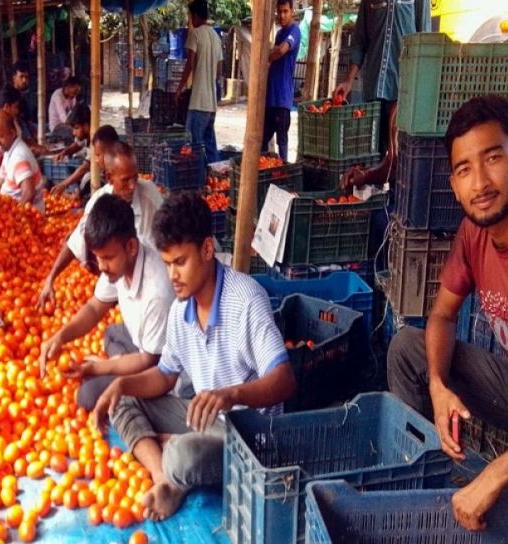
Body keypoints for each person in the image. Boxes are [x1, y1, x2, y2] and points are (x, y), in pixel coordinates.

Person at [387, 95, 508, 528]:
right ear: (453, 184)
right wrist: (437, 385)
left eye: (493, 159)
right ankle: (420, 485)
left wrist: (496, 474)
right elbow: (443, 316)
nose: (480, 183)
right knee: (407, 348)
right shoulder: (474, 233)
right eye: (464, 169)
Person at [91, 192, 296, 521]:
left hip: (248, 430)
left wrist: (231, 394)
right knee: (122, 398)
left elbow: (284, 380)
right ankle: (163, 479)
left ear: (207, 249)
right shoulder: (179, 310)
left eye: (180, 262)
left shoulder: (246, 300)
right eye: (167, 263)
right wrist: (121, 386)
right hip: (203, 415)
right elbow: (165, 376)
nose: (172, 275)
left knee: (183, 456)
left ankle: (171, 462)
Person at [38, 194, 175, 410]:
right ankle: (122, 362)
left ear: (131, 247)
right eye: (98, 257)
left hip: (160, 368)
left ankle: (128, 377)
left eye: (107, 258)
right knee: (111, 333)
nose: (100, 266)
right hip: (144, 343)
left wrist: (97, 368)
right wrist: (60, 337)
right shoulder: (120, 260)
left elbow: (150, 361)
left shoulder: (157, 292)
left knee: (87, 394)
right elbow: (94, 308)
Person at [37, 140, 162, 309]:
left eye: (135, 177)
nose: (133, 186)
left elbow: (170, 234)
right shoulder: (98, 203)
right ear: (109, 178)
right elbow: (75, 243)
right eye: (125, 180)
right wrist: (50, 278)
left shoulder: (150, 195)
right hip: (117, 285)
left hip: (151, 287)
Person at [334, 0, 430, 188]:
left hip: (404, 92)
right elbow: (360, 42)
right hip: (373, 93)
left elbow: (423, 40)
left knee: (399, 162)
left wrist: (418, 89)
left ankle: (395, 206)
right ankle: (373, 209)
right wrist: (347, 81)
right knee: (371, 161)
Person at [175, 0, 223, 164]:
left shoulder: (195, 34)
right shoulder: (216, 37)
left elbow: (190, 64)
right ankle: (214, 179)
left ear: (195, 16)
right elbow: (219, 69)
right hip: (211, 105)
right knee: (210, 145)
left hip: (198, 103)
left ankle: (199, 181)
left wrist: (180, 88)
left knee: (193, 145)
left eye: (190, 16)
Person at [262, 0, 301, 162]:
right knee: (262, 141)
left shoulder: (295, 31)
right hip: (270, 99)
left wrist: (265, 55)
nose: (282, 15)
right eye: (280, 12)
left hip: (282, 99)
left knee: (282, 142)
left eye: (286, 11)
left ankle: (284, 174)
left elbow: (281, 50)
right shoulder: (279, 34)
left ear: (292, 11)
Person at [0, 109, 45, 211]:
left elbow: (29, 193)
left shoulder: (19, 157)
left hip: (27, 218)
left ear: (12, 133)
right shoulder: (9, 150)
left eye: (0, 136)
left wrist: (17, 216)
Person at [50, 105, 96, 199]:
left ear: (86, 126)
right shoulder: (85, 135)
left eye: (76, 128)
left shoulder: (95, 139)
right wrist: (65, 152)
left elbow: (85, 167)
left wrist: (63, 184)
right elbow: (77, 145)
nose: (74, 133)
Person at [0, 85, 24, 184]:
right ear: (7, 107)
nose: (17, 111)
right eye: (16, 107)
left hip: (15, 167)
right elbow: (5, 153)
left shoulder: (15, 124)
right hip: (0, 170)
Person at [11, 60, 37, 129]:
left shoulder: (24, 97)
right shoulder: (9, 96)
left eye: (26, 77)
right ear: (14, 77)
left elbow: (29, 122)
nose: (24, 80)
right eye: (21, 76)